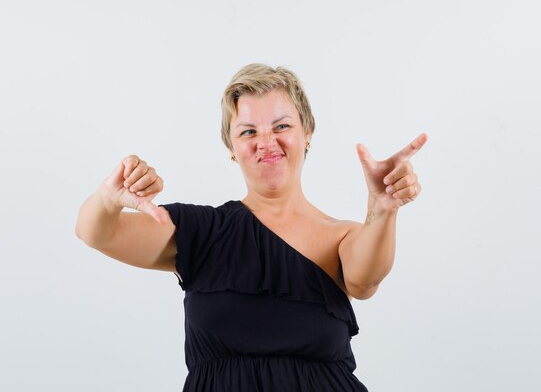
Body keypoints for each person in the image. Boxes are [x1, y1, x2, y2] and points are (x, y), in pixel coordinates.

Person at [75, 63, 427, 392]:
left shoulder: (342, 235)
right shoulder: (202, 232)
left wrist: (382, 210)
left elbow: (365, 282)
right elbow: (95, 232)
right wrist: (109, 196)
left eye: (282, 126)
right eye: (248, 132)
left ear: (308, 132)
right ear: (232, 147)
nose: (266, 142)